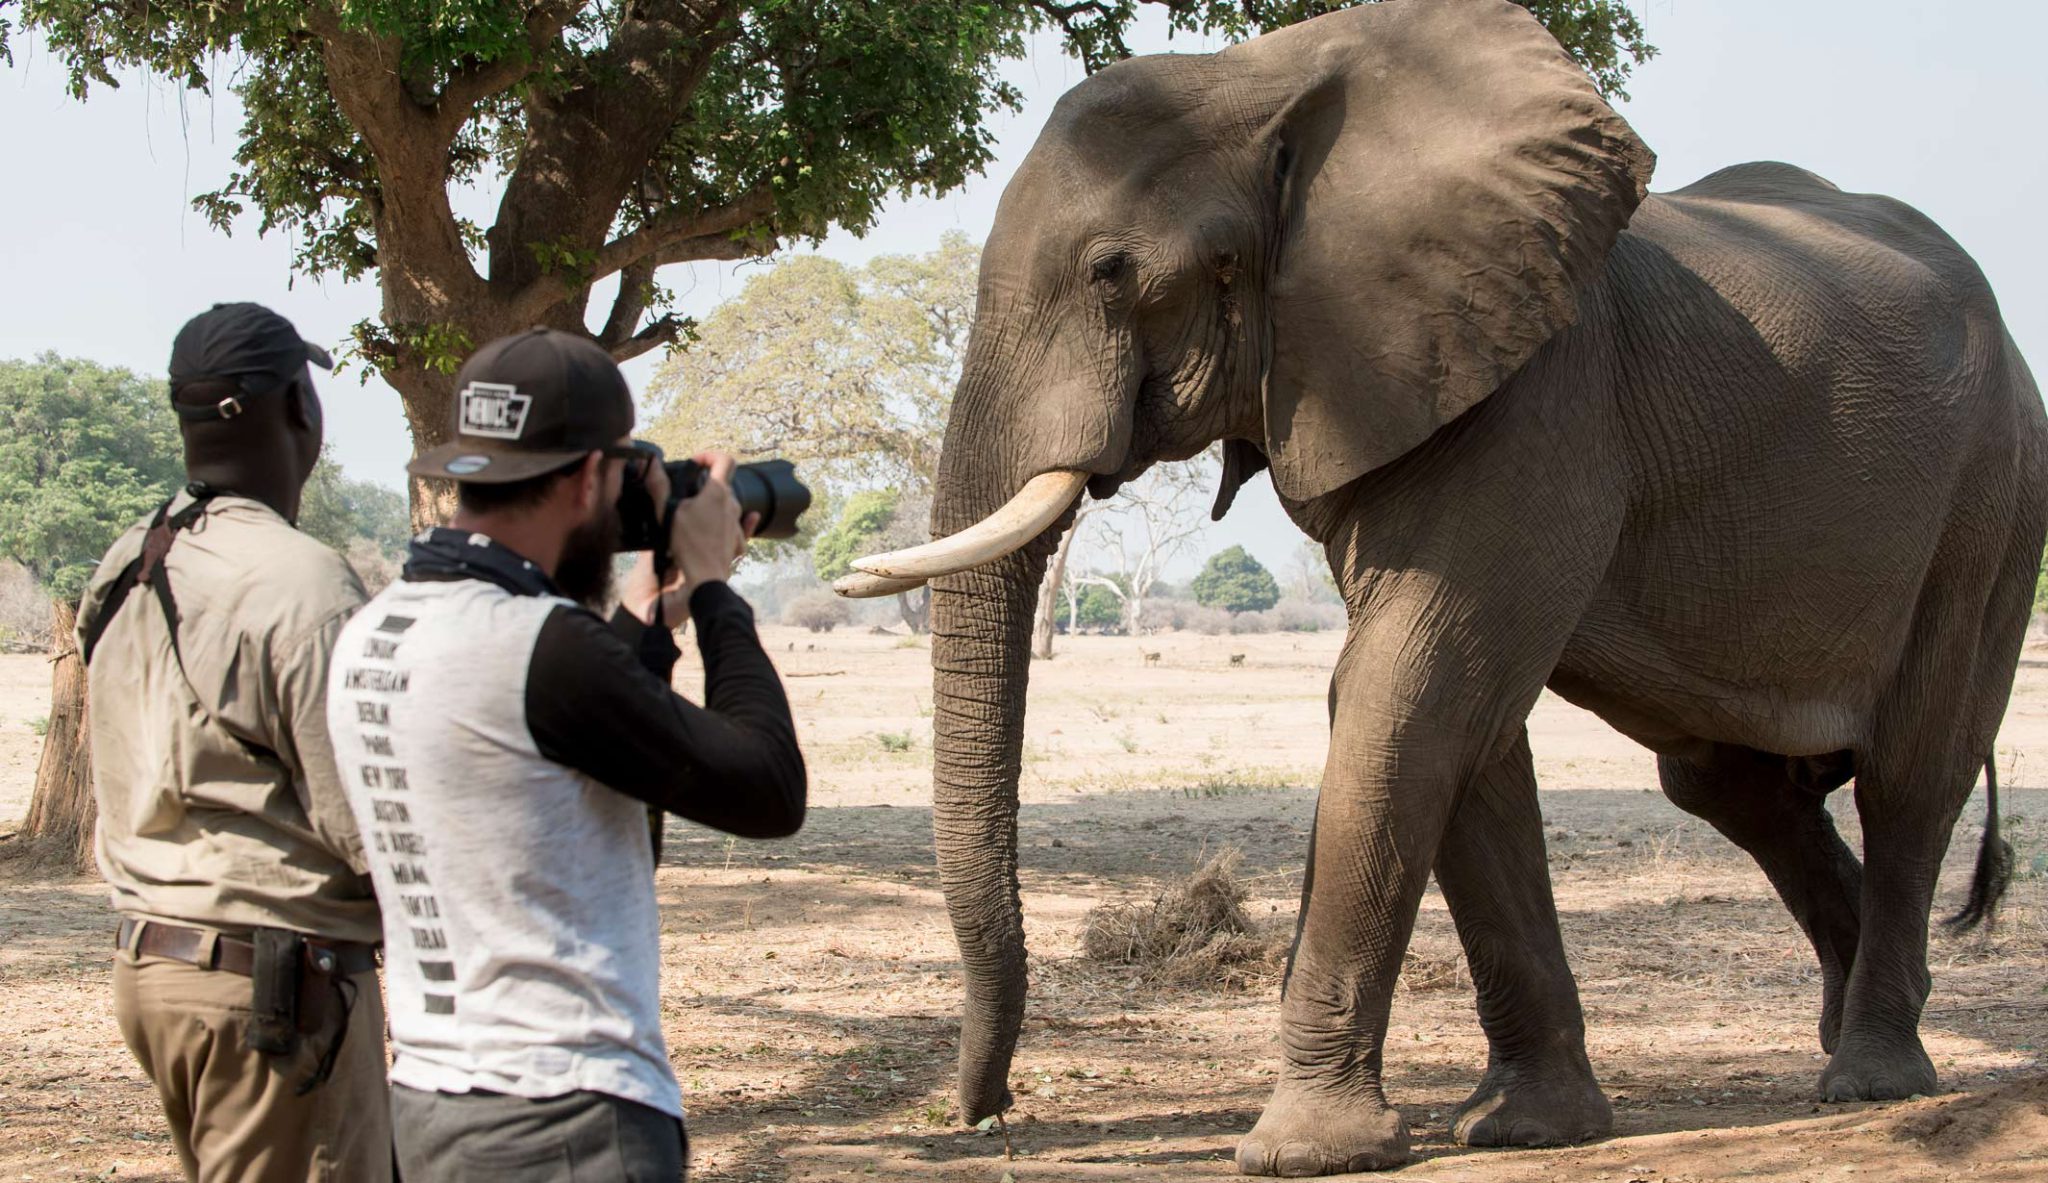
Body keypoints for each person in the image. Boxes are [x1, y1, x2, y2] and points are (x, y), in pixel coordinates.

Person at [327, 328, 807, 1180]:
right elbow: (768, 787)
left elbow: (582, 777)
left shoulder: (377, 631)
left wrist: (648, 618)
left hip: (433, 1100)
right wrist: (716, 587)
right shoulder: (538, 646)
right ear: (591, 476)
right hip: (565, 1118)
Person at [78, 302, 390, 1182]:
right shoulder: (301, 581)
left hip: (156, 970)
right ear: (300, 406)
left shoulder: (125, 563)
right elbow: (367, 828)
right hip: (274, 983)